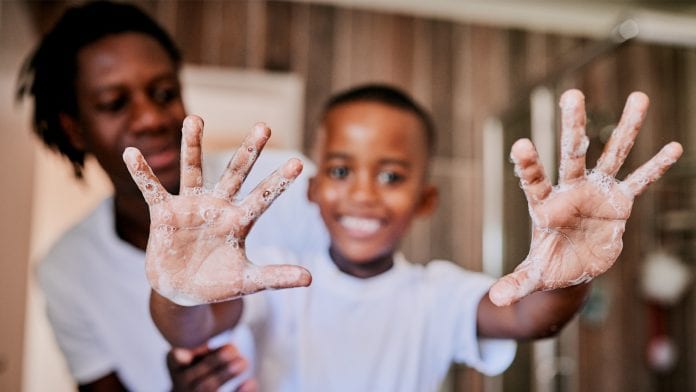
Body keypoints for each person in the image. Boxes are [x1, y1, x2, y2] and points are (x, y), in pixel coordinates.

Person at [127, 83, 683, 391]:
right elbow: (198, 323)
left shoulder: (436, 296)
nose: (365, 195)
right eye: (342, 172)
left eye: (391, 176)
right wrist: (182, 289)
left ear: (425, 200)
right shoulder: (270, 275)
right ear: (315, 190)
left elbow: (528, 319)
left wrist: (572, 274)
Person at [16, 1, 327, 391]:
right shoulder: (66, 270)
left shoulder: (284, 181)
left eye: (164, 93)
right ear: (75, 129)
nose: (151, 118)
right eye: (114, 103)